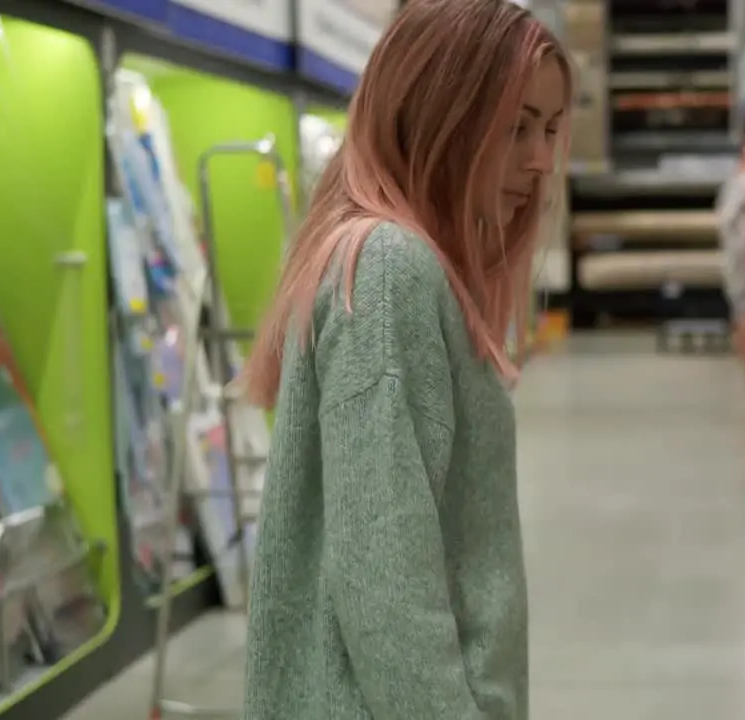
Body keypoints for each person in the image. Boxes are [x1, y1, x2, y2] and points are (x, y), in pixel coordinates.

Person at [237, 1, 569, 717]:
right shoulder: (390, 270)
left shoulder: (388, 261)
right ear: (441, 114)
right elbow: (384, 583)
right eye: (515, 127)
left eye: (548, 128)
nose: (540, 158)